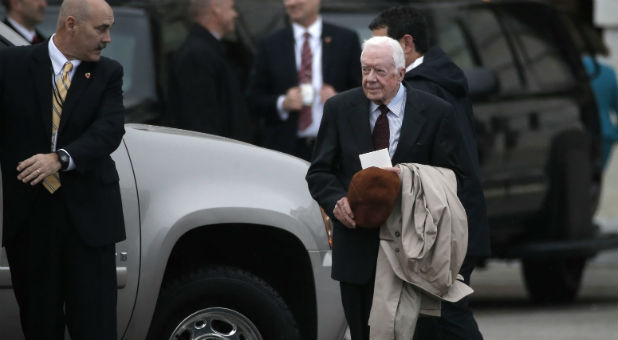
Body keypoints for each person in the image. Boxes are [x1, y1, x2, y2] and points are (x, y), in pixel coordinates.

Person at [306, 36, 476, 340]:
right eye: (365, 70)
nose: (370, 79)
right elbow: (319, 172)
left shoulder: (436, 112)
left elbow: (457, 178)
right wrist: (337, 200)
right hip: (358, 250)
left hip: (414, 251)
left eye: (380, 71)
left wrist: (410, 178)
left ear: (401, 73)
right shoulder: (339, 109)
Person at [0, 0, 126, 338]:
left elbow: (110, 129)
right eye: (102, 28)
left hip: (89, 221)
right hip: (32, 221)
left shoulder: (108, 72)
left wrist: (60, 158)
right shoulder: (11, 64)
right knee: (40, 325)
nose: (108, 38)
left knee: (96, 326)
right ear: (71, 24)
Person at [369, 7, 490, 339]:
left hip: (442, 226)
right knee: (428, 319)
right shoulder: (438, 80)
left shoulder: (427, 91)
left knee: (443, 315)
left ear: (406, 45)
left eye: (382, 47)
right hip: (443, 221)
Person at [247, 0, 361, 161]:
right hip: (285, 151)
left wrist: (340, 99)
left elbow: (365, 92)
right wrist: (282, 103)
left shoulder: (346, 39)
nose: (291, 3)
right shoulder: (270, 44)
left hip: (335, 149)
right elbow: (253, 98)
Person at [167, 0, 253, 142]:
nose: (235, 14)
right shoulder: (196, 55)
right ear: (216, 9)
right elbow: (201, 123)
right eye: (231, 8)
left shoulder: (210, 50)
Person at [582, 55, 618, 169]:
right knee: (596, 180)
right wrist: (614, 134)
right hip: (604, 135)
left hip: (576, 134)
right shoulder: (608, 72)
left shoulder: (567, 70)